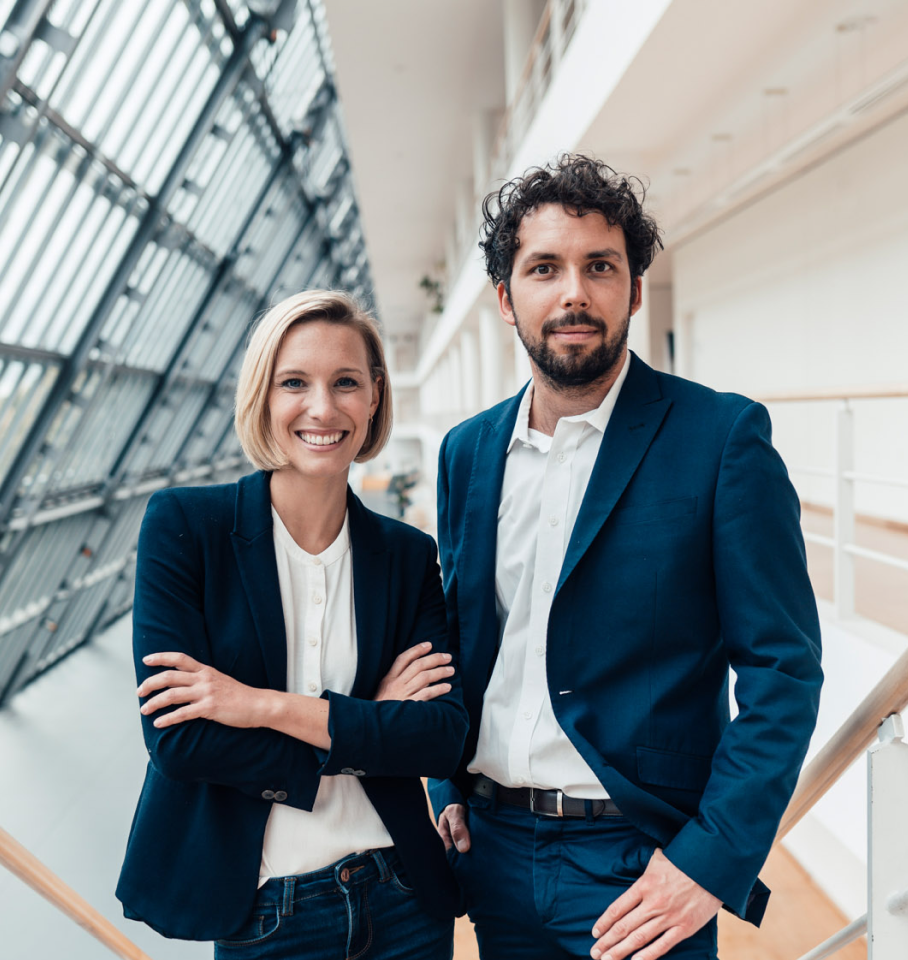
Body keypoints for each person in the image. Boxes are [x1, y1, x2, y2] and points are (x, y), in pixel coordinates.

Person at [428, 155, 823, 960]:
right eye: (545, 268)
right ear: (507, 299)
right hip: (491, 853)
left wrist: (706, 863)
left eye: (599, 267)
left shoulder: (721, 441)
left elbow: (784, 672)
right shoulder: (466, 453)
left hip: (640, 867)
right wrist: (444, 783)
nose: (574, 292)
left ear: (633, 290)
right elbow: (460, 640)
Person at [117, 290, 467, 958]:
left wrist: (259, 706)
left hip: (403, 899)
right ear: (263, 395)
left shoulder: (405, 555)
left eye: (346, 383)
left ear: (374, 397)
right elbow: (180, 743)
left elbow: (439, 738)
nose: (323, 408)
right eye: (294, 383)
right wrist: (366, 723)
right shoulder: (186, 529)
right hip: (264, 913)